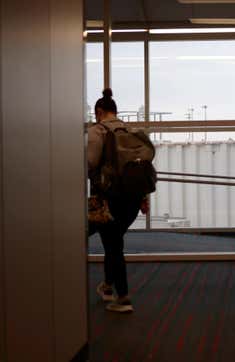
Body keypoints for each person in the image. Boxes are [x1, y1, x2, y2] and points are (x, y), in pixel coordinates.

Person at [87, 88, 148, 313]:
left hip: (107, 200)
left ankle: (122, 297)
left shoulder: (98, 131)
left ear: (100, 111)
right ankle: (107, 287)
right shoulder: (130, 131)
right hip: (131, 200)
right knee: (113, 243)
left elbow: (90, 163)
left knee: (112, 245)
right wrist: (143, 197)